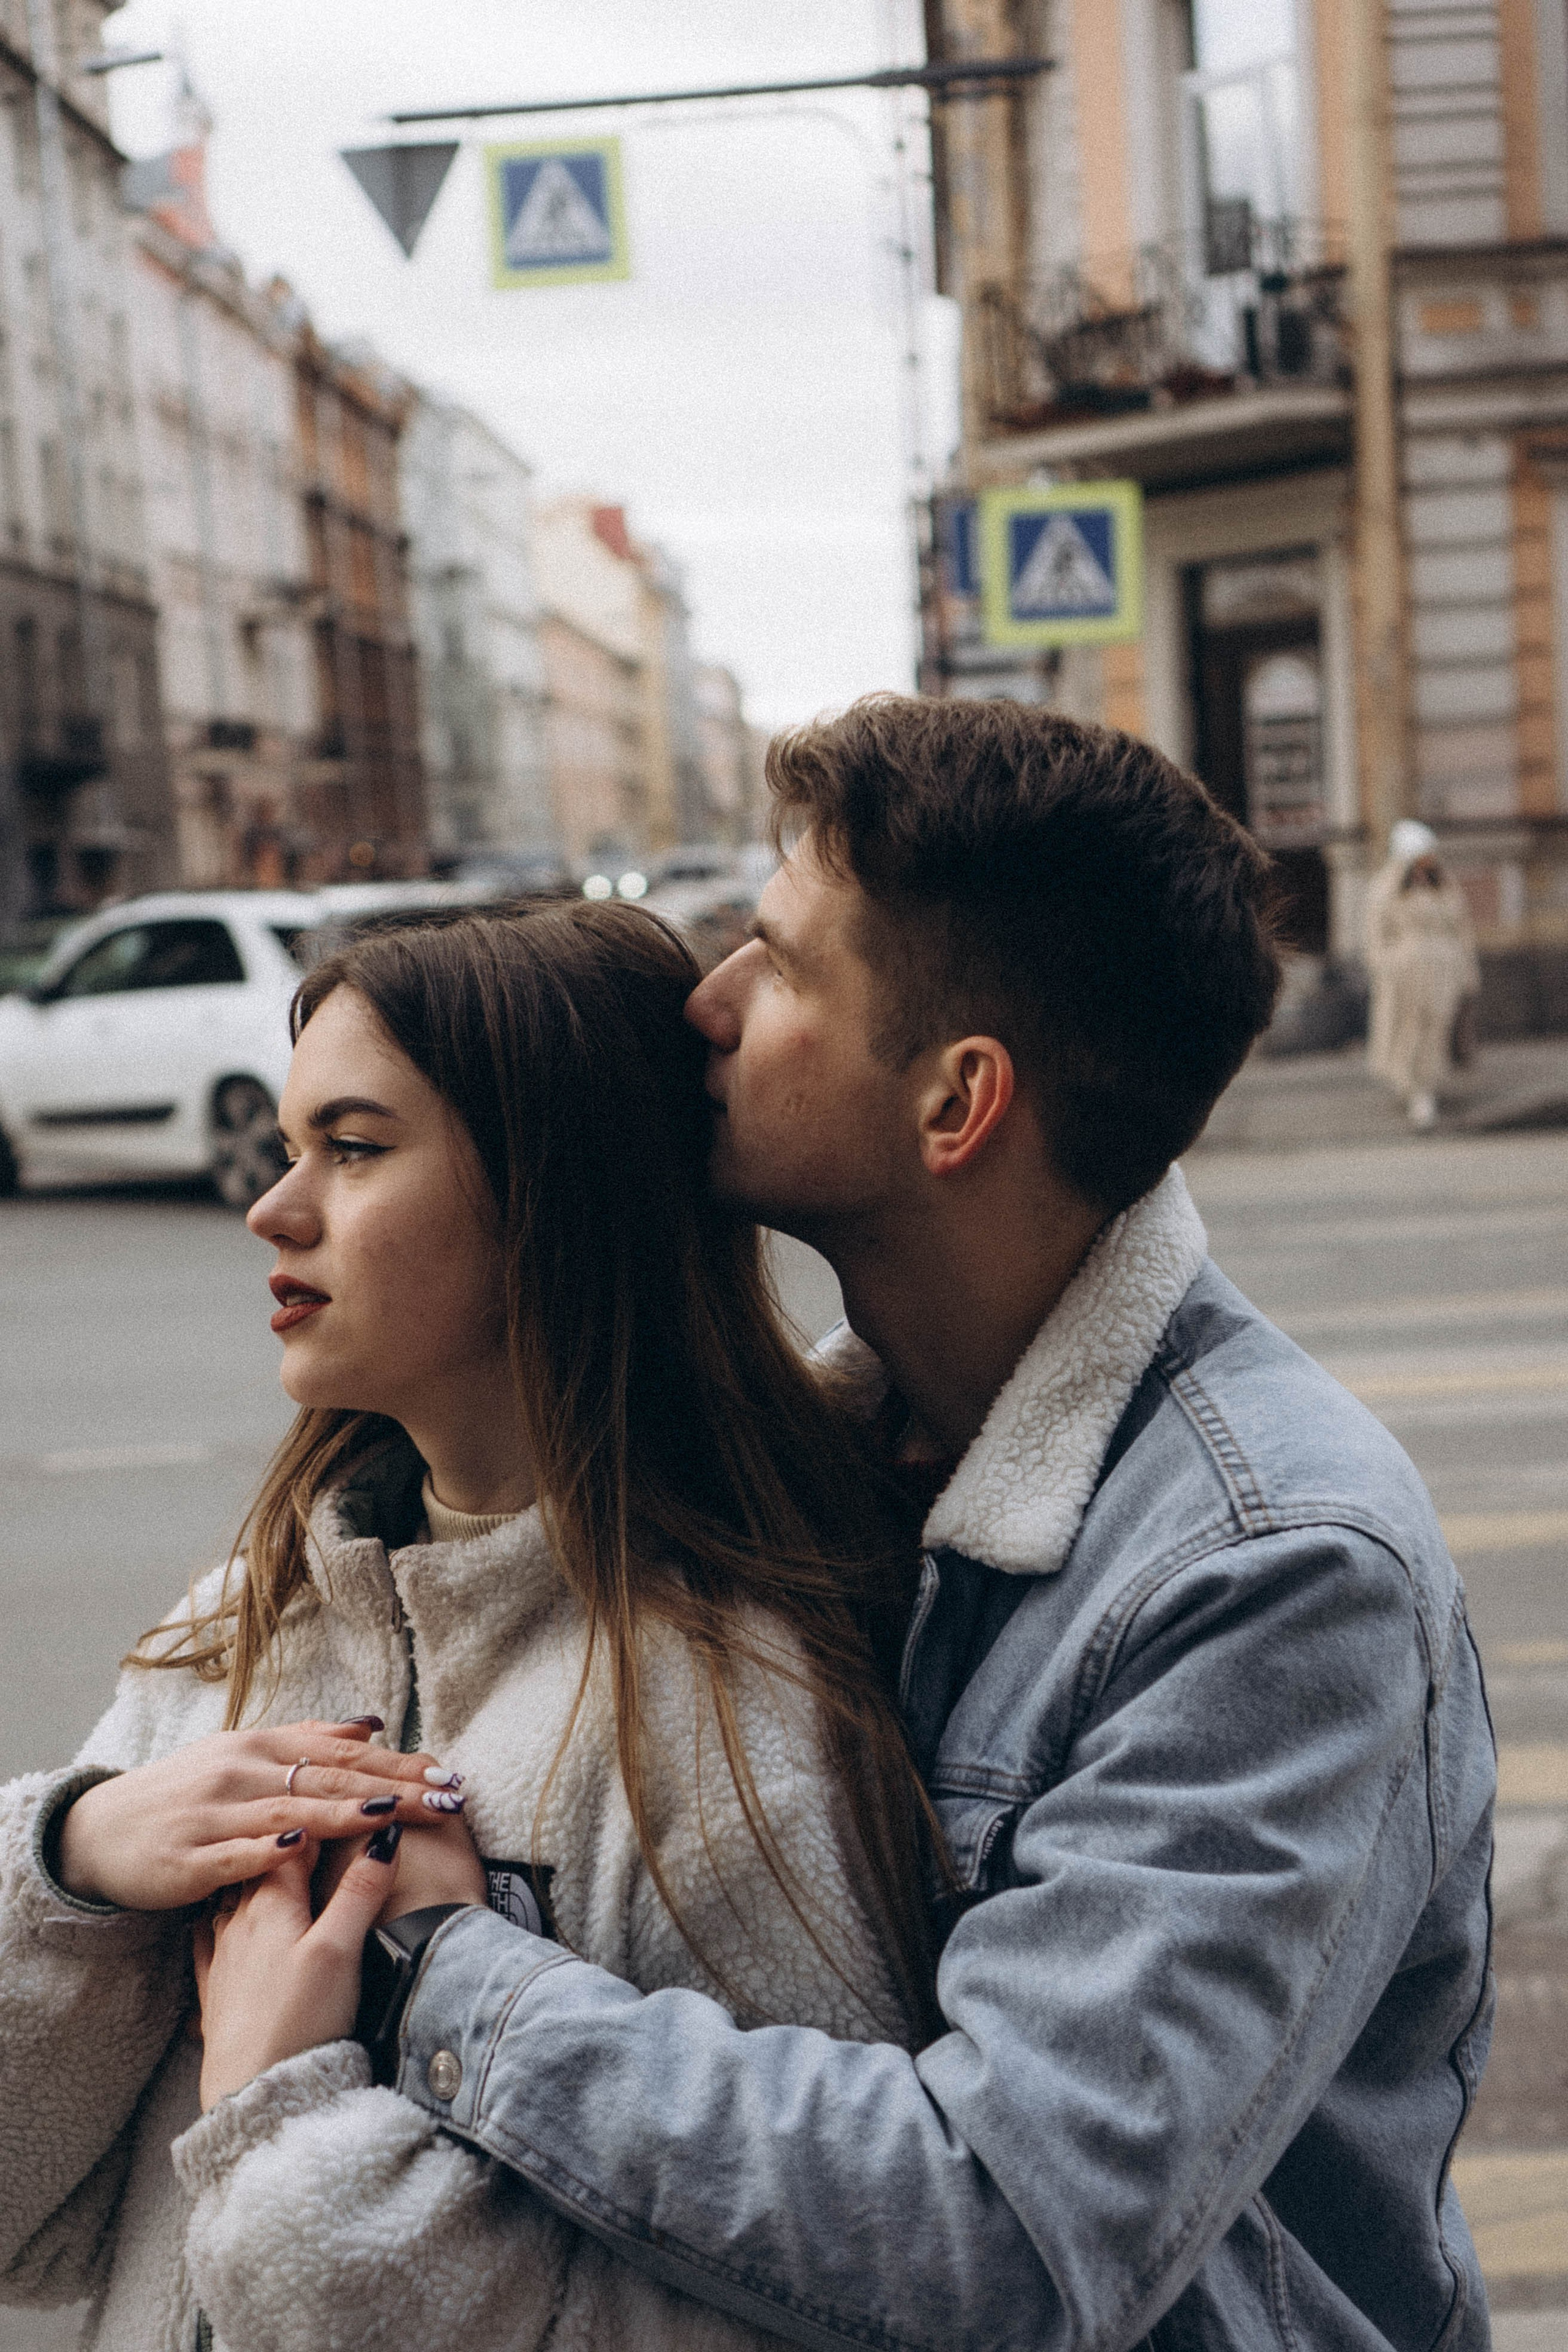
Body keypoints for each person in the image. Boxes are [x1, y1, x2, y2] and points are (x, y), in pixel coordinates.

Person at [239, 697, 1495, 2352]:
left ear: (958, 1103)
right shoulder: (840, 1462)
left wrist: (453, 1972)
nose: (711, 1000)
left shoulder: (1272, 1570)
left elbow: (1005, 2231)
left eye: (778, 963)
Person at [0, 903, 937, 2351]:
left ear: (551, 1198)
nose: (274, 1205)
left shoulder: (731, 1720)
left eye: (355, 1147)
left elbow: (806, 2305)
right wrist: (73, 1865)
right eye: (293, 1138)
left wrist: (284, 2135)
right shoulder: (254, 1611)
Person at [1366, 816, 1481, 1129]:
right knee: (1408, 1029)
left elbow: (1462, 930)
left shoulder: (1443, 888)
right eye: (1422, 856)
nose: (1428, 862)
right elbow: (1377, 935)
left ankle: (1424, 1085)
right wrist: (1386, 967)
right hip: (1406, 972)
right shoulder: (1387, 889)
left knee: (1437, 1027)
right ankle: (1414, 1087)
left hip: (1445, 971)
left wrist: (1468, 972)